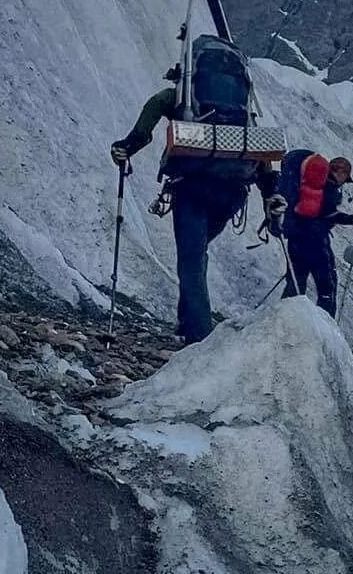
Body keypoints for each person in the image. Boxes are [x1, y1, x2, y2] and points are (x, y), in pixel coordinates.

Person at [111, 37, 283, 344]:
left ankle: (199, 339)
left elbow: (141, 134)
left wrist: (124, 149)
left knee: (190, 258)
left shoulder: (176, 98)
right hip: (233, 194)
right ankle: (187, 319)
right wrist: (270, 196)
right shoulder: (242, 112)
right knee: (197, 253)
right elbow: (259, 157)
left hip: (192, 187)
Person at [280, 154, 353, 318]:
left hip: (296, 237)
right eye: (344, 176)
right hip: (316, 241)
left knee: (296, 281)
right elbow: (331, 215)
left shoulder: (305, 185)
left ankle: (285, 320)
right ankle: (326, 326)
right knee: (327, 285)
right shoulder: (329, 189)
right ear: (340, 173)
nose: (343, 182)